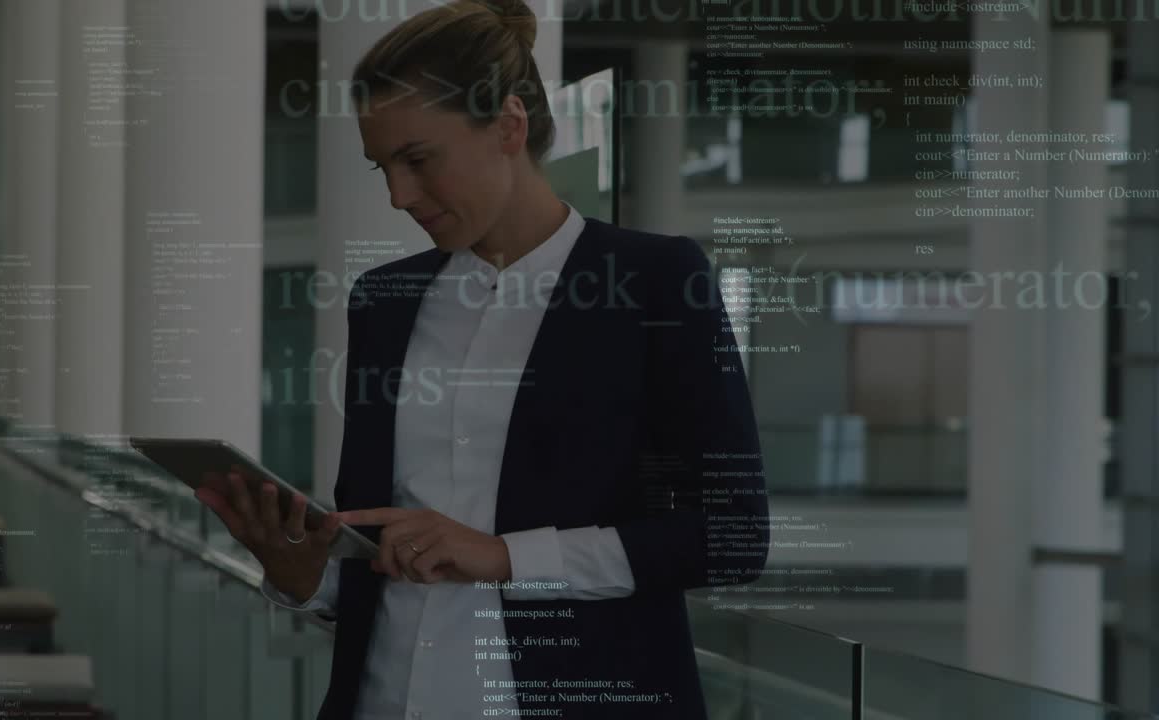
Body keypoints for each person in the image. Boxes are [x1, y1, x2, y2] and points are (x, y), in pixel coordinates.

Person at [194, 0, 770, 717]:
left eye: (418, 160)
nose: (400, 196)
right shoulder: (386, 299)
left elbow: (733, 535)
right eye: (382, 168)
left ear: (508, 126)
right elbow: (387, 559)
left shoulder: (655, 282)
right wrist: (301, 573)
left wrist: (503, 557)